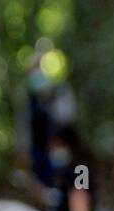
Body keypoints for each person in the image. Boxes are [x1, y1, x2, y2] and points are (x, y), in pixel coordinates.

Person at [20, 53, 77, 192]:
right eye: (33, 72)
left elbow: (68, 118)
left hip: (65, 152)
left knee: (74, 187)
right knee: (47, 191)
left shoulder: (61, 92)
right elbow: (24, 128)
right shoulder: (29, 101)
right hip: (40, 153)